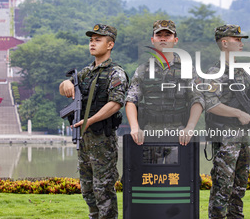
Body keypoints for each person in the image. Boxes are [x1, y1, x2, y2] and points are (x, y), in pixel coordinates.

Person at [59, 24, 129, 219]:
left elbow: (116, 103)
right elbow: (65, 87)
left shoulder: (116, 73)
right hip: (86, 140)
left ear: (110, 45)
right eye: (91, 40)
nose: (92, 43)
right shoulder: (86, 73)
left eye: (98, 40)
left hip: (102, 140)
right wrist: (65, 83)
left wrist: (90, 120)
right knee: (87, 190)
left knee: (103, 190)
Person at [204, 24, 250, 218]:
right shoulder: (214, 71)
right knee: (222, 187)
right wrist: (237, 113)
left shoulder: (241, 71)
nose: (241, 43)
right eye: (237, 39)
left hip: (242, 137)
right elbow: (210, 103)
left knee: (239, 186)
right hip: (225, 137)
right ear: (224, 43)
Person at [125, 20, 204, 147]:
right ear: (152, 40)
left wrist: (190, 127)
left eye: (167, 35)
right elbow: (130, 100)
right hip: (149, 132)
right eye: (159, 35)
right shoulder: (143, 70)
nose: (163, 39)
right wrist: (135, 128)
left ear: (175, 40)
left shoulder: (187, 69)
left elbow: (198, 99)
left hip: (179, 133)